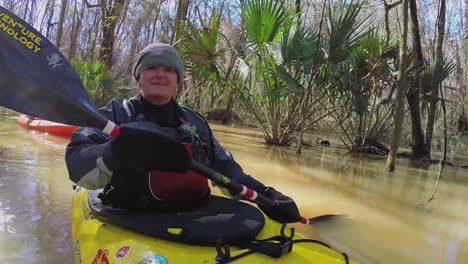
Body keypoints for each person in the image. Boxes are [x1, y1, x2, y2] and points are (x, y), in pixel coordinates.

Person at [65, 43, 301, 223]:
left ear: (177, 79)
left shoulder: (194, 122)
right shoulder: (113, 114)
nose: (160, 74)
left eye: (168, 69)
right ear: (139, 76)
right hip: (131, 216)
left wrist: (267, 195)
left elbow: (225, 169)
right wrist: (112, 152)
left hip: (194, 215)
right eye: (151, 68)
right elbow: (75, 162)